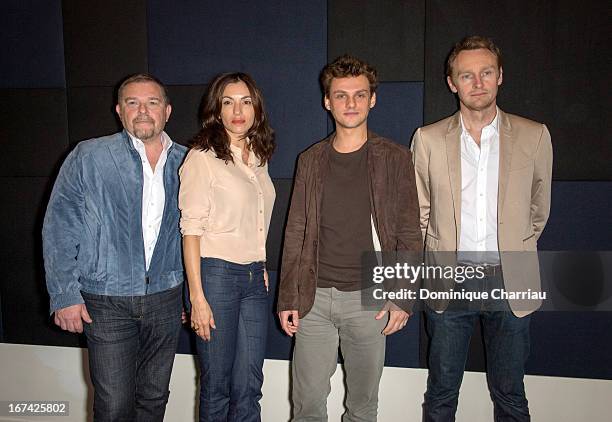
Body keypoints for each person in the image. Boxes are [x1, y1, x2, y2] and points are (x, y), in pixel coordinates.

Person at [411, 36, 553, 421]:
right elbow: (419, 212)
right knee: (441, 394)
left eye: (486, 73)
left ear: (500, 76)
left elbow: (538, 210)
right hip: (448, 277)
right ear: (451, 82)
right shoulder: (427, 139)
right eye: (467, 75)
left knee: (510, 394)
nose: (478, 83)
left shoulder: (534, 135)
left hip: (511, 277)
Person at [277, 55, 422, 422]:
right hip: (314, 300)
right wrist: (288, 296)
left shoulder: (395, 158)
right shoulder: (310, 160)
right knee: (307, 406)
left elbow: (409, 232)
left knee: (362, 408)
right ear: (327, 101)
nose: (351, 103)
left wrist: (402, 296)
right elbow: (295, 231)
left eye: (359, 95)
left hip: (369, 297)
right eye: (341, 96)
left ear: (373, 99)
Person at [42, 73, 187, 421]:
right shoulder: (89, 156)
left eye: (152, 102)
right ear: (119, 110)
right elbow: (59, 226)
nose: (142, 111)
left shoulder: (189, 162)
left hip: (166, 299)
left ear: (166, 111)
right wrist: (64, 295)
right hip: (105, 302)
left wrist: (191, 296)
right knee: (113, 405)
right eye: (132, 103)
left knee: (154, 400)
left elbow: (196, 236)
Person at [179, 72, 276, 422]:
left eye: (246, 101)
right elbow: (190, 230)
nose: (238, 110)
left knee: (249, 385)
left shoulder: (258, 158)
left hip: (254, 280)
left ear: (256, 108)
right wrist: (197, 298)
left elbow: (257, 219)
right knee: (217, 386)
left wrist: (261, 264)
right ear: (216, 110)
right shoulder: (202, 157)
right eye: (228, 101)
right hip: (216, 276)